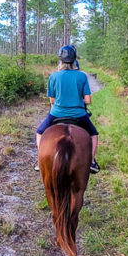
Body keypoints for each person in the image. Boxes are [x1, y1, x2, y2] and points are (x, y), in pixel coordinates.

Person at [35, 45, 100, 173]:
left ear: (61, 59)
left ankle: (40, 159)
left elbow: (52, 101)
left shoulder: (53, 76)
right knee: (94, 135)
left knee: (40, 132)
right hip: (79, 115)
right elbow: (88, 101)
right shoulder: (81, 76)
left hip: (56, 114)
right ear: (74, 59)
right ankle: (92, 162)